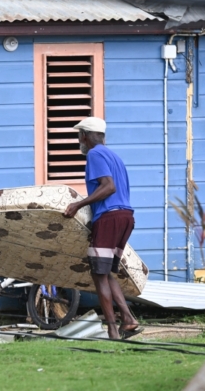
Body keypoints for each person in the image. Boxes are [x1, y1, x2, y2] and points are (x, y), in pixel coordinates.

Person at [63, 117, 140, 340]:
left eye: (79, 136)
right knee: (106, 273)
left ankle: (113, 330)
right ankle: (128, 320)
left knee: (98, 275)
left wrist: (78, 204)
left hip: (109, 218)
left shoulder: (94, 154)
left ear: (84, 136)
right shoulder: (114, 156)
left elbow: (108, 187)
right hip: (125, 217)